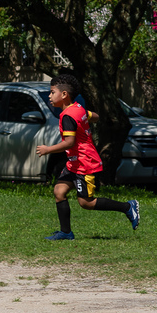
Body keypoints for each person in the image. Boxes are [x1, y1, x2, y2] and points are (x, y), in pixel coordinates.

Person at [35, 74, 140, 240]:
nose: (49, 95)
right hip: (74, 163)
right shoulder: (78, 108)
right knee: (59, 191)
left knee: (86, 203)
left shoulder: (68, 116)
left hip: (85, 163)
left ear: (64, 95)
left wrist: (48, 149)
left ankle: (128, 207)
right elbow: (95, 117)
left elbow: (69, 142)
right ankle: (66, 232)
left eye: (52, 92)